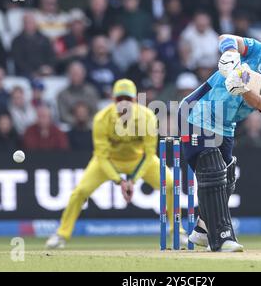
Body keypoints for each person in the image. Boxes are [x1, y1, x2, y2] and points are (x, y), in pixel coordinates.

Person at [180, 33, 261, 252]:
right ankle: (221, 238)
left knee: (227, 177)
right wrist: (230, 52)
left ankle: (202, 230)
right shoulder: (259, 51)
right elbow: (226, 37)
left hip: (226, 125)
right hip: (196, 112)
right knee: (213, 171)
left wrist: (243, 85)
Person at [46, 79, 188, 249]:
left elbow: (150, 154)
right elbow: (101, 156)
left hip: (139, 159)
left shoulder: (147, 116)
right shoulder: (101, 118)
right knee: (80, 191)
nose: (124, 104)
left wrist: (132, 180)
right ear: (113, 100)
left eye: (127, 99)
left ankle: (177, 232)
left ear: (134, 100)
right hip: (108, 161)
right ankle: (62, 234)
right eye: (120, 99)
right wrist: (120, 181)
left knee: (171, 184)